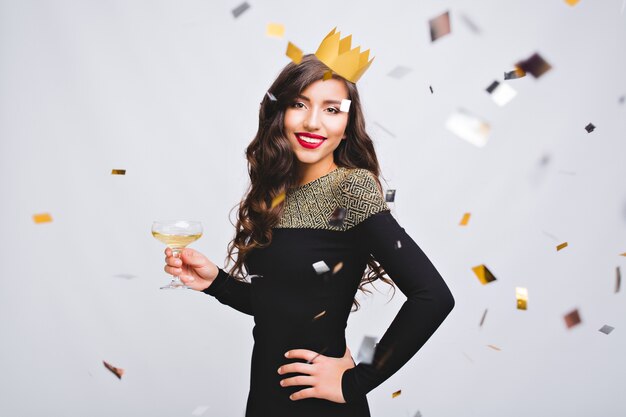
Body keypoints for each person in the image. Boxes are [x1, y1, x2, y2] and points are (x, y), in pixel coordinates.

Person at [162, 53, 455, 417]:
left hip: (322, 407)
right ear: (280, 113)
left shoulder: (353, 188)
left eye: (332, 110)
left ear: (347, 126)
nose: (313, 122)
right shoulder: (271, 195)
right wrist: (217, 284)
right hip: (266, 401)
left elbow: (434, 296)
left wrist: (355, 383)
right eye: (299, 104)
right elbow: (282, 305)